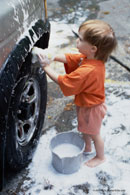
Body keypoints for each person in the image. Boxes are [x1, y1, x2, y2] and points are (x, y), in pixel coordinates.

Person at [37, 19, 117, 167]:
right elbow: (70, 59)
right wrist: (53, 57)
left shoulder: (89, 70)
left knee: (94, 133)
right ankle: (86, 147)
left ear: (93, 48)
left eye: (80, 39)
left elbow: (64, 81)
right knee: (85, 128)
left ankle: (100, 157)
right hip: (86, 103)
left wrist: (46, 67)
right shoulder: (90, 59)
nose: (76, 41)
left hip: (92, 108)